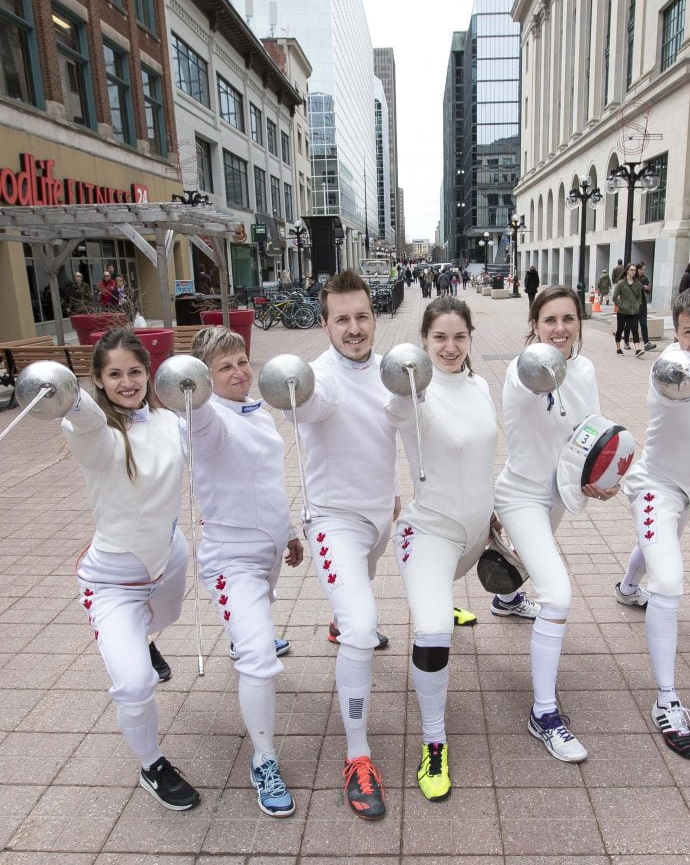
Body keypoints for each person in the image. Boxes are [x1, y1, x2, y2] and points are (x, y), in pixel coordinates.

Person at [60, 328, 199, 811]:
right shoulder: (93, 432)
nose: (126, 382)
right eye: (114, 374)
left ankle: (147, 638)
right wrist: (67, 395)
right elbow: (84, 422)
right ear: (98, 380)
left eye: (134, 371)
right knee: (136, 684)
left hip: (170, 556)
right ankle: (152, 765)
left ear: (149, 373)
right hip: (112, 581)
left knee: (166, 620)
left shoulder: (168, 422)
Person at [614, 286, 690, 761]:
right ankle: (666, 699)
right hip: (655, 488)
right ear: (676, 331)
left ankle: (627, 588)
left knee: (653, 553)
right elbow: (678, 384)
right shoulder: (671, 367)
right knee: (668, 580)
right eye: (687, 331)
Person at [387, 296, 505, 799]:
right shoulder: (415, 393)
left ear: (470, 338)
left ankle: (448, 598)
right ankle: (434, 743)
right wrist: (402, 382)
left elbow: (480, 457)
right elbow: (396, 406)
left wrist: (496, 514)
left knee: (448, 599)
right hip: (430, 534)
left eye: (459, 336)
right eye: (439, 338)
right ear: (424, 342)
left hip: (476, 535)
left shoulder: (479, 385)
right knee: (433, 630)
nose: (450, 347)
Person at [292, 270, 398, 819]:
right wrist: (292, 395)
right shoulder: (316, 378)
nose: (354, 329)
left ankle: (344, 618)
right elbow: (306, 404)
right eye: (342, 320)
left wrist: (395, 495)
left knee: (359, 600)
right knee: (361, 625)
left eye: (361, 317)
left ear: (373, 317)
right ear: (324, 324)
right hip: (334, 522)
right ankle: (358, 756)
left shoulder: (391, 371)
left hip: (380, 516)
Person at [188, 328, 304, 817]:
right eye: (223, 368)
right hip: (230, 559)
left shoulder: (255, 411)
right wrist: (189, 396)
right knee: (258, 658)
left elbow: (266, 482)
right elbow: (197, 422)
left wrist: (289, 532)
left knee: (259, 617)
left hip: (269, 549)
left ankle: (244, 634)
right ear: (204, 379)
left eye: (241, 361)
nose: (238, 373)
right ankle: (264, 759)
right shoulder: (206, 417)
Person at [496, 286, 611, 763]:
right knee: (558, 595)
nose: (560, 328)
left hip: (560, 494)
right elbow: (533, 384)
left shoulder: (584, 370)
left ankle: (505, 595)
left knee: (530, 564)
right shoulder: (523, 370)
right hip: (521, 495)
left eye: (568, 319)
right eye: (550, 320)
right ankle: (544, 713)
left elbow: (592, 434)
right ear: (535, 325)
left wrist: (600, 477)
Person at [611, 263, 645, 357]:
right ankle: (618, 348)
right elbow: (614, 297)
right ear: (627, 271)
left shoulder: (637, 283)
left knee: (635, 330)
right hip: (622, 311)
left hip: (634, 311)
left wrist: (638, 305)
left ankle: (637, 349)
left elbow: (639, 297)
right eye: (631, 270)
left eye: (634, 270)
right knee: (620, 329)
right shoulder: (621, 283)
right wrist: (621, 306)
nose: (633, 272)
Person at [636, 262, 656, 351]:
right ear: (637, 269)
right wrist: (642, 287)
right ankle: (626, 342)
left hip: (642, 304)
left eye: (644, 269)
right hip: (634, 304)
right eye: (641, 269)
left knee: (644, 323)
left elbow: (648, 290)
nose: (643, 271)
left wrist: (648, 288)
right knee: (631, 324)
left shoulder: (645, 278)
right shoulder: (633, 278)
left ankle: (646, 343)